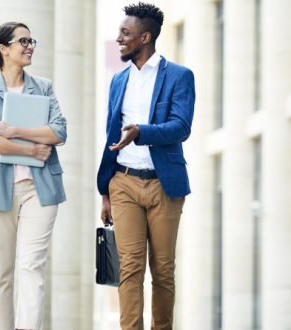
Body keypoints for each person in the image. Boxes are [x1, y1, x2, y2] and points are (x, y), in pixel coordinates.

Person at [96, 2, 196, 329]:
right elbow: (112, 135)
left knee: (163, 270)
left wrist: (142, 132)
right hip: (123, 182)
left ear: (146, 37)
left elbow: (182, 126)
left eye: (126, 33)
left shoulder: (179, 76)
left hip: (163, 184)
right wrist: (106, 191)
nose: (119, 38)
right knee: (129, 268)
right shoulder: (117, 81)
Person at [0, 22, 67, 330]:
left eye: (31, 40)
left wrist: (15, 131)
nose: (30, 46)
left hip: (41, 189)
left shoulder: (44, 87)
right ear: (3, 48)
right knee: (0, 274)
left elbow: (59, 132)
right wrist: (29, 150)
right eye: (23, 41)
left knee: (31, 266)